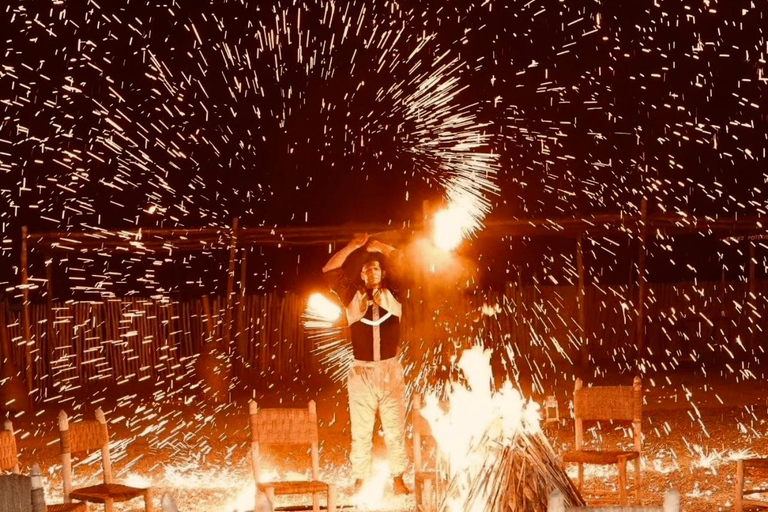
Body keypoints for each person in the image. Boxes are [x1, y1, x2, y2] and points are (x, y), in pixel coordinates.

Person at [323, 234, 411, 495]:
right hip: (361, 372)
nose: (370, 272)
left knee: (394, 428)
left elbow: (405, 261)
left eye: (375, 268)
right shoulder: (351, 296)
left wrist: (380, 247)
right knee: (361, 431)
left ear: (381, 272)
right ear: (361, 275)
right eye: (366, 269)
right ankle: (360, 478)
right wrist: (352, 247)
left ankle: (398, 478)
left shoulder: (394, 291)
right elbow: (329, 270)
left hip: (390, 371)